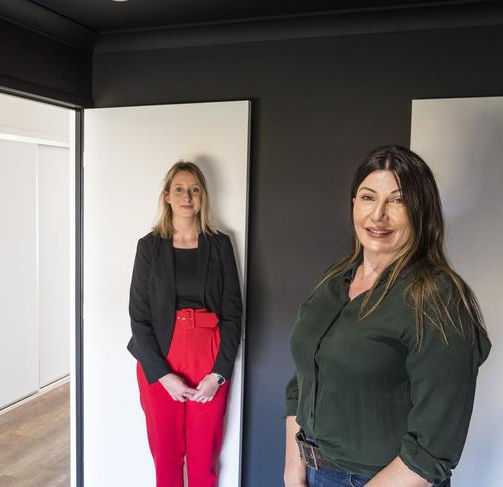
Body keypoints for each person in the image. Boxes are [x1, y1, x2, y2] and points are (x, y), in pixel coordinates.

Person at [282, 145, 491, 487]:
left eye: (397, 200)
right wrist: (294, 473)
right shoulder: (335, 281)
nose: (378, 216)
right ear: (353, 203)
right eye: (368, 197)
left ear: (421, 212)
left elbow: (431, 450)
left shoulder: (437, 299)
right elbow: (301, 382)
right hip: (314, 472)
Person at [128, 161, 242, 487]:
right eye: (179, 188)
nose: (187, 196)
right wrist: (163, 376)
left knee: (204, 459)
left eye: (194, 189)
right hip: (161, 356)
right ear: (167, 196)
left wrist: (219, 374)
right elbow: (139, 316)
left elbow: (234, 313)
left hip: (209, 353)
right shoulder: (148, 247)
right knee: (166, 459)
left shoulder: (220, 245)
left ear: (202, 196)